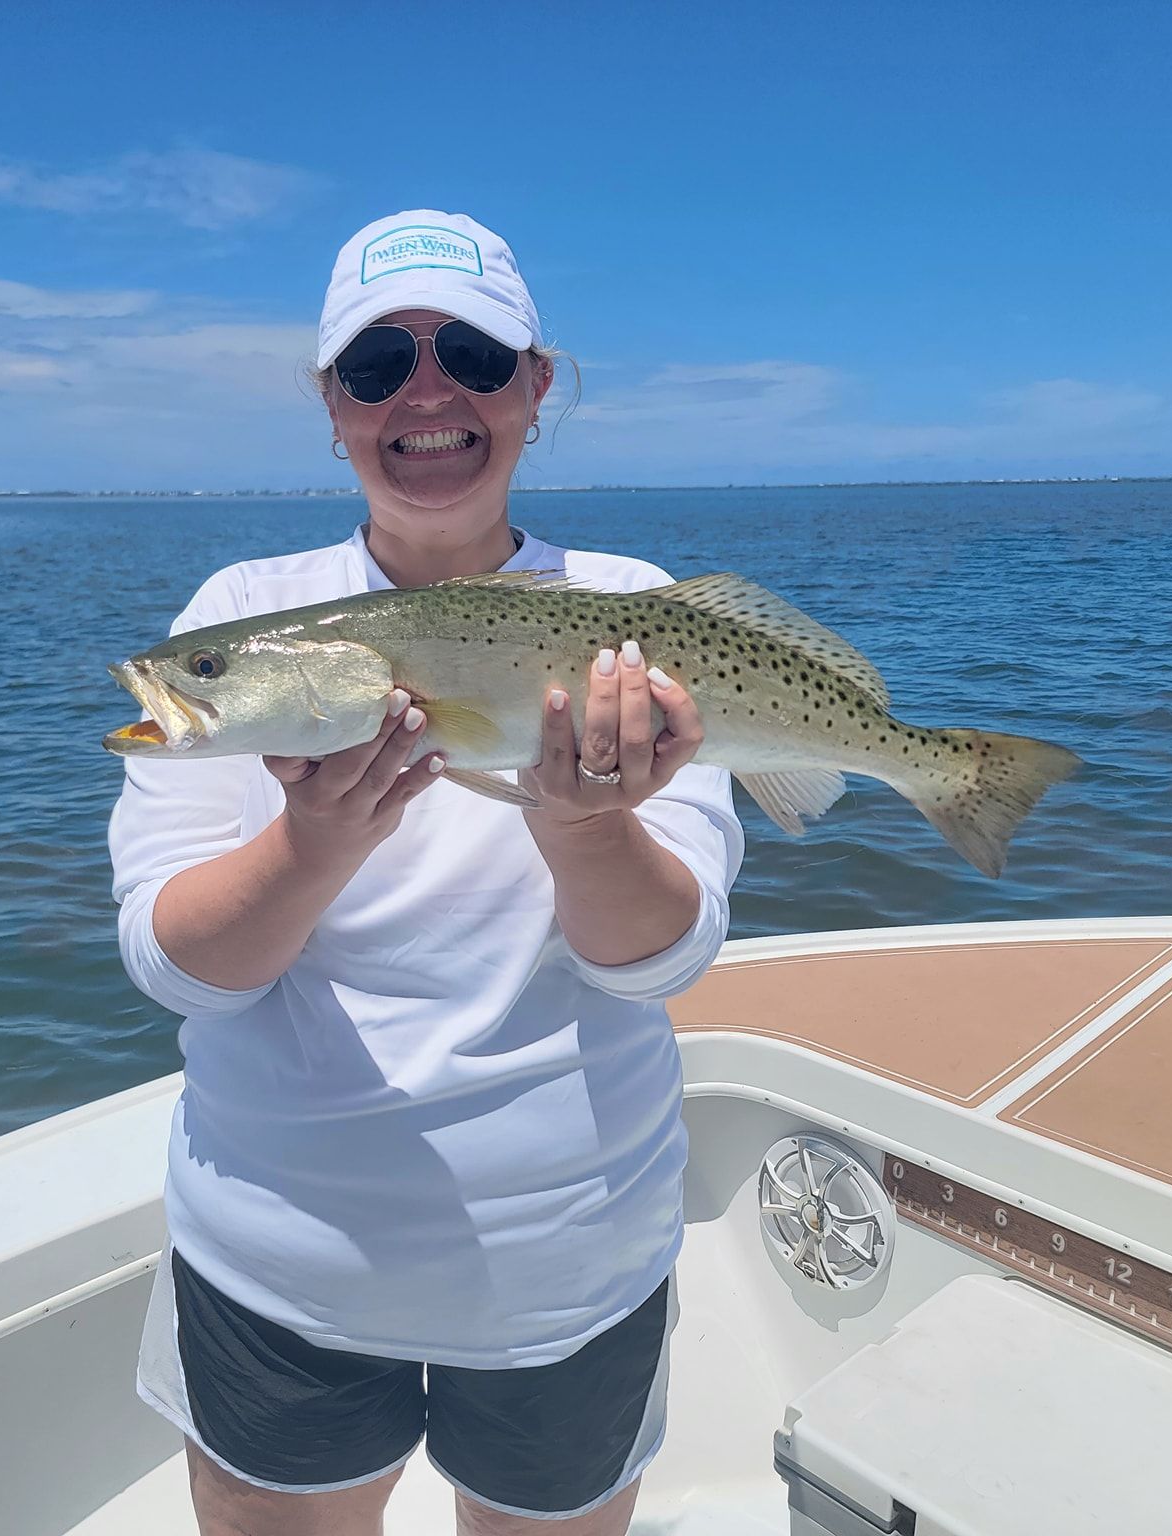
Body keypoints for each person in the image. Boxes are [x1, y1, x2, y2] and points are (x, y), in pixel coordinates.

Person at [109, 209, 744, 1536]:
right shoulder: (237, 614)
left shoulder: (636, 615)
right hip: (283, 1272)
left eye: (469, 350)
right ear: (332, 406)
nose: (427, 391)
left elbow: (666, 957)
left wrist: (583, 828)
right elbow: (181, 970)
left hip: (571, 1265)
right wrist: (314, 842)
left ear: (533, 385)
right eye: (376, 367)